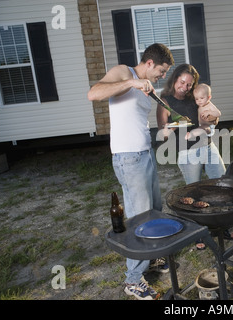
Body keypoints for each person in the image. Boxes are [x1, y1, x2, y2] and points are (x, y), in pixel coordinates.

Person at [88, 43, 174, 300]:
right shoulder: (124, 72)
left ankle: (152, 257)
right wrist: (131, 83)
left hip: (145, 153)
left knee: (155, 208)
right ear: (149, 63)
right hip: (128, 158)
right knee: (140, 218)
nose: (162, 76)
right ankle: (133, 281)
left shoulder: (148, 86)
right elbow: (93, 93)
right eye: (161, 71)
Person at [156, 64, 233, 250]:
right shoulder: (165, 101)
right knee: (194, 193)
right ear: (175, 79)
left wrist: (212, 119)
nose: (185, 87)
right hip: (187, 152)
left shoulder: (195, 97)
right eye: (182, 82)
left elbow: (213, 117)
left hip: (208, 146)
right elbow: (162, 134)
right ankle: (198, 232)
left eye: (189, 84)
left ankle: (222, 225)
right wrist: (176, 124)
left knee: (222, 184)